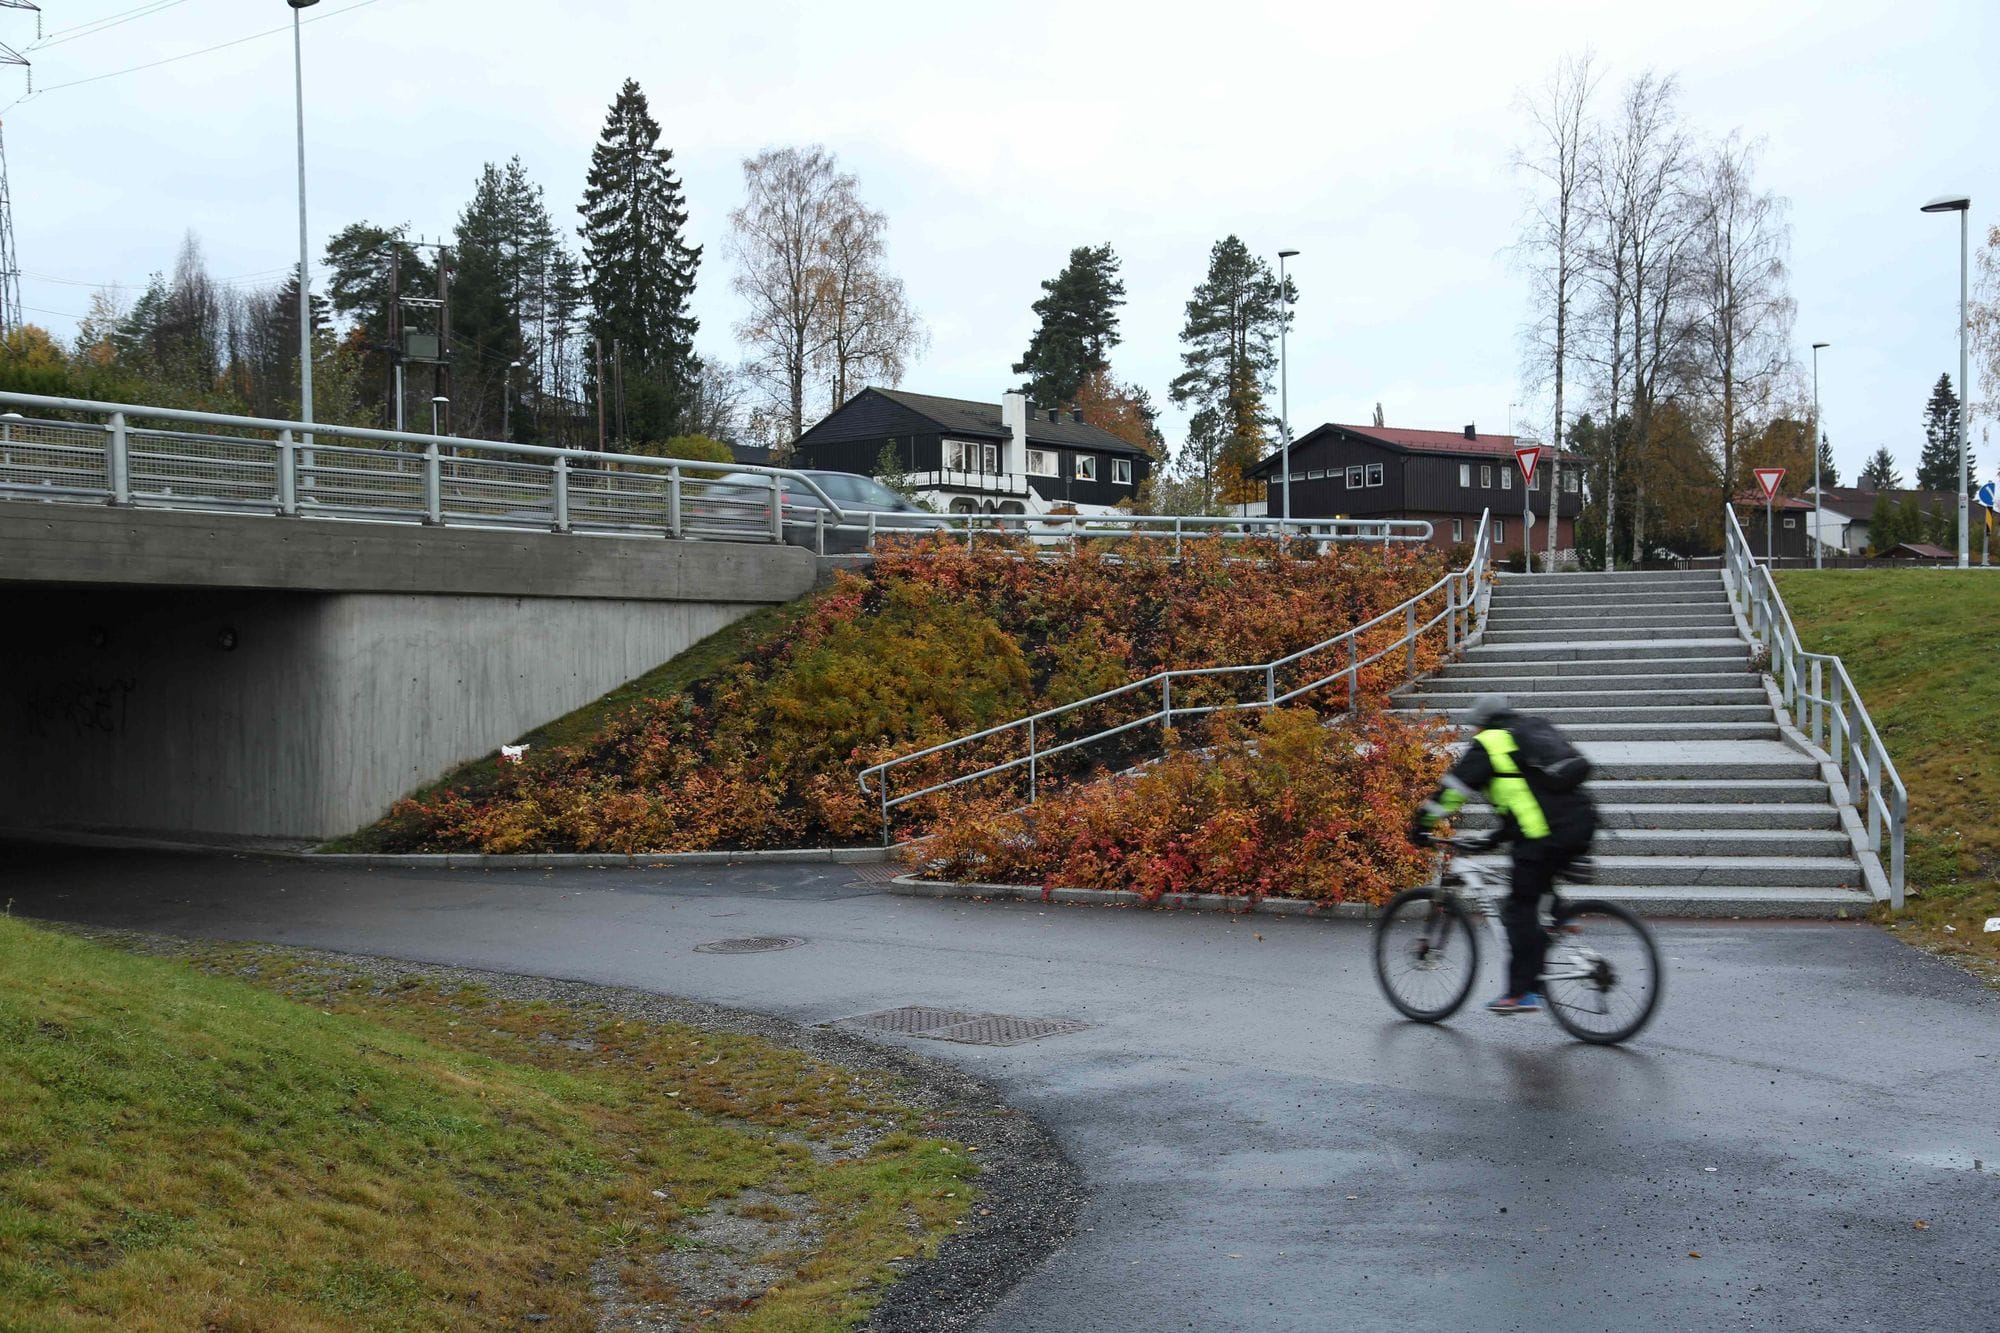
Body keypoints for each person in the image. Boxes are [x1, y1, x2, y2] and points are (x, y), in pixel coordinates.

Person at [1406, 693, 1598, 1015]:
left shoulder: (1490, 743)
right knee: (1538, 890)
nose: (1475, 734)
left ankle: (1521, 993)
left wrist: (1421, 823)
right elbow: (1526, 797)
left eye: (1476, 728)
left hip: (1544, 835)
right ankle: (1562, 923)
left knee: (1517, 910)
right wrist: (1492, 839)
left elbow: (1453, 791)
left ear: (1482, 724)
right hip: (1580, 822)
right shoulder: (1527, 733)